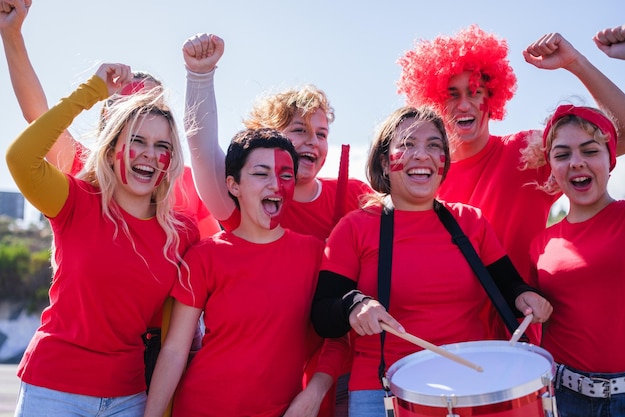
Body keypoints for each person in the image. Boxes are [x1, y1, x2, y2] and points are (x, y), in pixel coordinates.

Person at [310, 106, 553, 417]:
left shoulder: (471, 221)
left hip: (472, 388)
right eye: (408, 144)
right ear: (385, 161)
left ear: (444, 162)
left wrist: (526, 296)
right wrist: (354, 305)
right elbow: (323, 312)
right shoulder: (354, 228)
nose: (422, 155)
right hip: (383, 392)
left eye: (434, 145)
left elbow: (509, 285)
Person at [396, 25, 625, 342]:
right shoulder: (419, 179)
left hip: (518, 346)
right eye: (452, 95)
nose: (464, 104)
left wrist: (575, 63)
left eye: (475, 92)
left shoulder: (524, 154)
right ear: (434, 102)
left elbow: (620, 132)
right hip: (441, 349)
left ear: (492, 98)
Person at [182, 32, 370, 416]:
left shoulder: (354, 194)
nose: (312, 143)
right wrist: (200, 77)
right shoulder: (246, 203)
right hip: (270, 388)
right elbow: (203, 153)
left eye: (321, 134)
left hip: (344, 373)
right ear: (268, 136)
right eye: (298, 130)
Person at [6, 62, 199, 416]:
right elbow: (20, 157)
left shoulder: (182, 232)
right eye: (136, 141)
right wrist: (91, 92)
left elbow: (177, 337)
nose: (148, 154)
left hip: (129, 397)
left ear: (170, 160)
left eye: (161, 146)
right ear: (112, 150)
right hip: (53, 390)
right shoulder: (74, 199)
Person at [143, 128, 348, 417]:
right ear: (233, 185)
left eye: (285, 175)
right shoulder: (204, 256)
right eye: (261, 173)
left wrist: (314, 392)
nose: (276, 185)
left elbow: (339, 337)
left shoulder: (317, 255)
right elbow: (175, 351)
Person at [0, 0, 221, 239]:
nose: (143, 117)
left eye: (152, 108)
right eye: (130, 108)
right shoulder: (85, 169)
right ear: (108, 116)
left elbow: (211, 260)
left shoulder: (191, 183)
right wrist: (11, 33)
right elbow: (37, 115)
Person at [529, 105, 625, 417]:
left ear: (611, 159)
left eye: (590, 150)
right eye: (562, 154)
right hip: (563, 399)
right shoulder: (540, 244)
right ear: (552, 167)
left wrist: (577, 63)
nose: (576, 162)